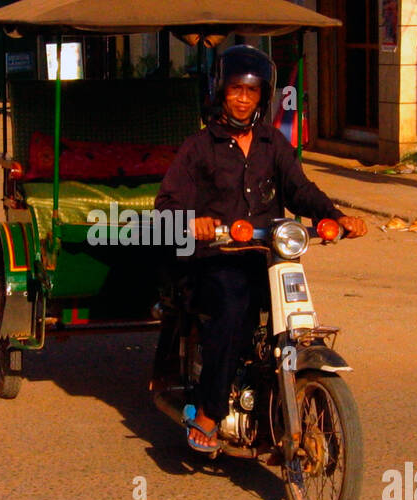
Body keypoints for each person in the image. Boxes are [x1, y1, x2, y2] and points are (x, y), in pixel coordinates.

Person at [155, 45, 366, 455]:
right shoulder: (200, 146)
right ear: (221, 91)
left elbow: (299, 190)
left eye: (251, 92)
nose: (243, 99)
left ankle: (284, 393)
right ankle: (210, 413)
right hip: (214, 260)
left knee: (295, 312)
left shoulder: (273, 143)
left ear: (262, 97)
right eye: (236, 90)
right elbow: (166, 205)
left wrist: (336, 217)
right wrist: (193, 222)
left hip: (267, 256)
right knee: (235, 306)